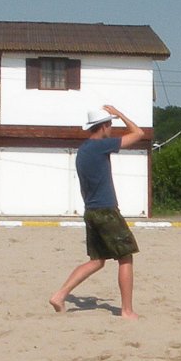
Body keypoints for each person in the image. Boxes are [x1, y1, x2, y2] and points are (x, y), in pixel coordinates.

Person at [49, 104, 144, 318]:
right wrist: (120, 114)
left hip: (91, 211)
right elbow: (138, 133)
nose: (111, 128)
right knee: (125, 257)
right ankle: (127, 310)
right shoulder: (101, 146)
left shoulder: (83, 151)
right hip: (106, 210)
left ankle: (60, 295)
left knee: (97, 261)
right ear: (103, 126)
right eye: (110, 124)